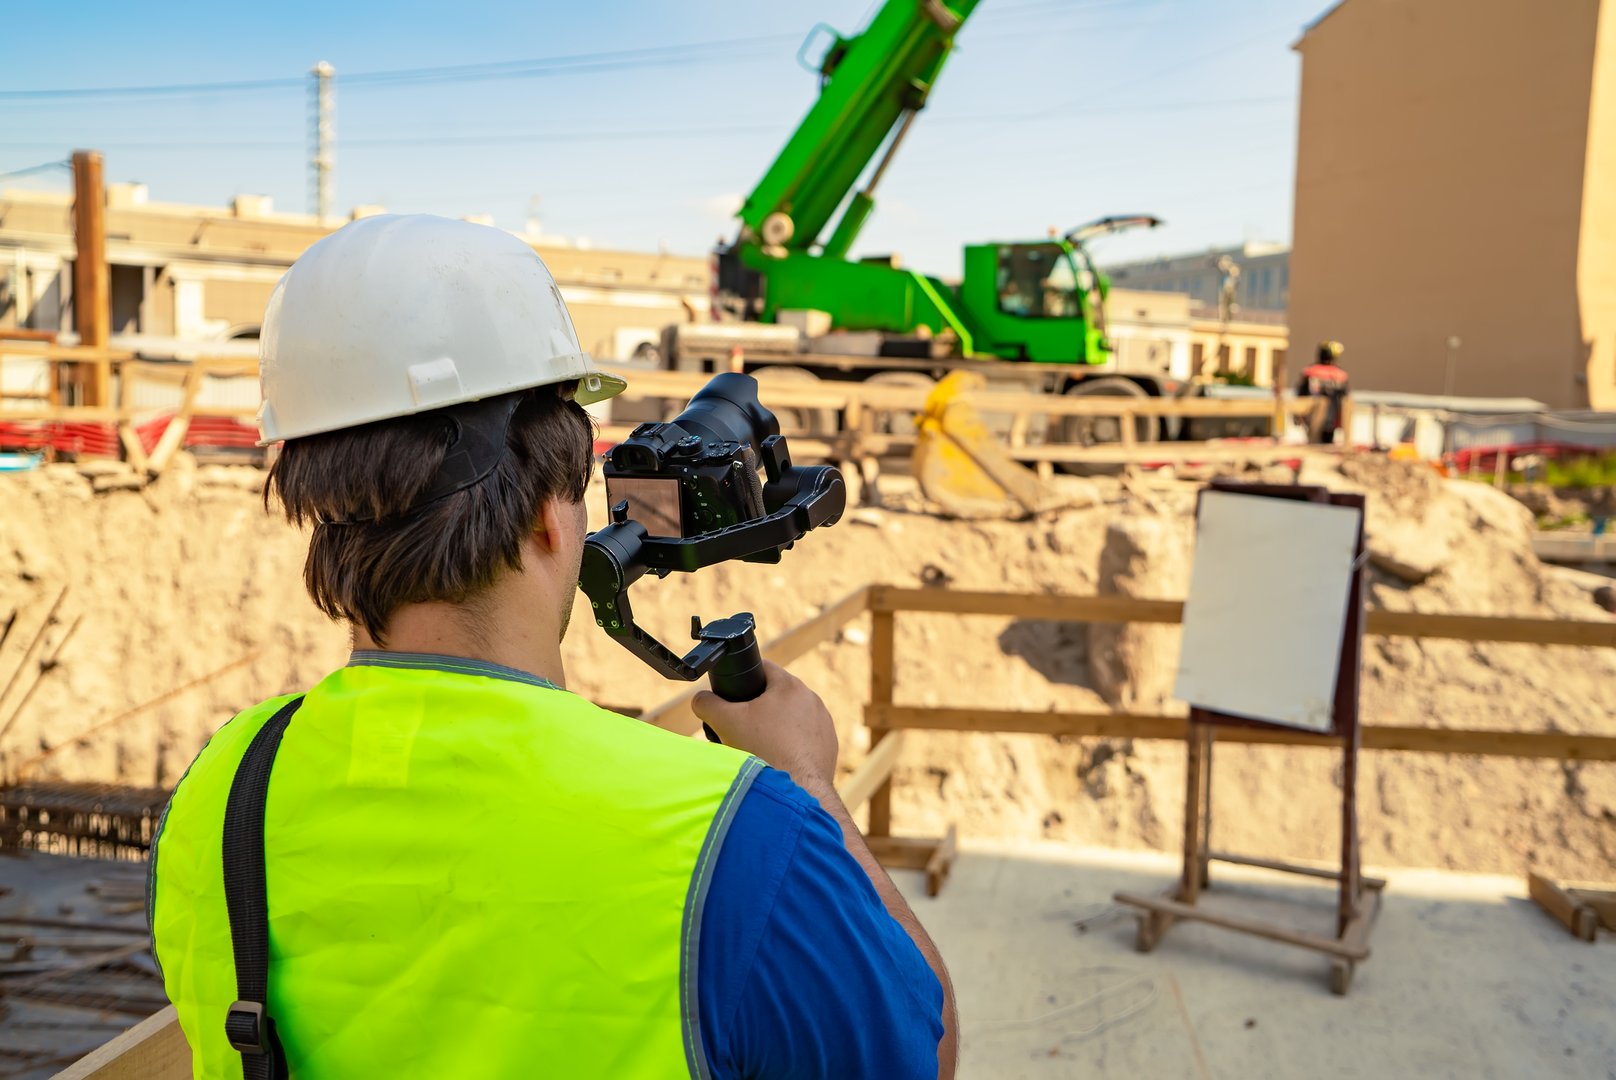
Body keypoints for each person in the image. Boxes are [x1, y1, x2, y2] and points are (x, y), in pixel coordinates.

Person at [148, 214, 957, 1079]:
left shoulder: (219, 791)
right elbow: (925, 1053)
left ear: (319, 504)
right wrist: (810, 785)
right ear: (547, 518)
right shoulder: (738, 838)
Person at [1297, 339, 1351, 444]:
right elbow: (1345, 397)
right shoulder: (1340, 374)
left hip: (1312, 419)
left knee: (1313, 443)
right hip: (1332, 421)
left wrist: (1299, 415)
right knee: (1326, 443)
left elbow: (1300, 394)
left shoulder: (1310, 371)